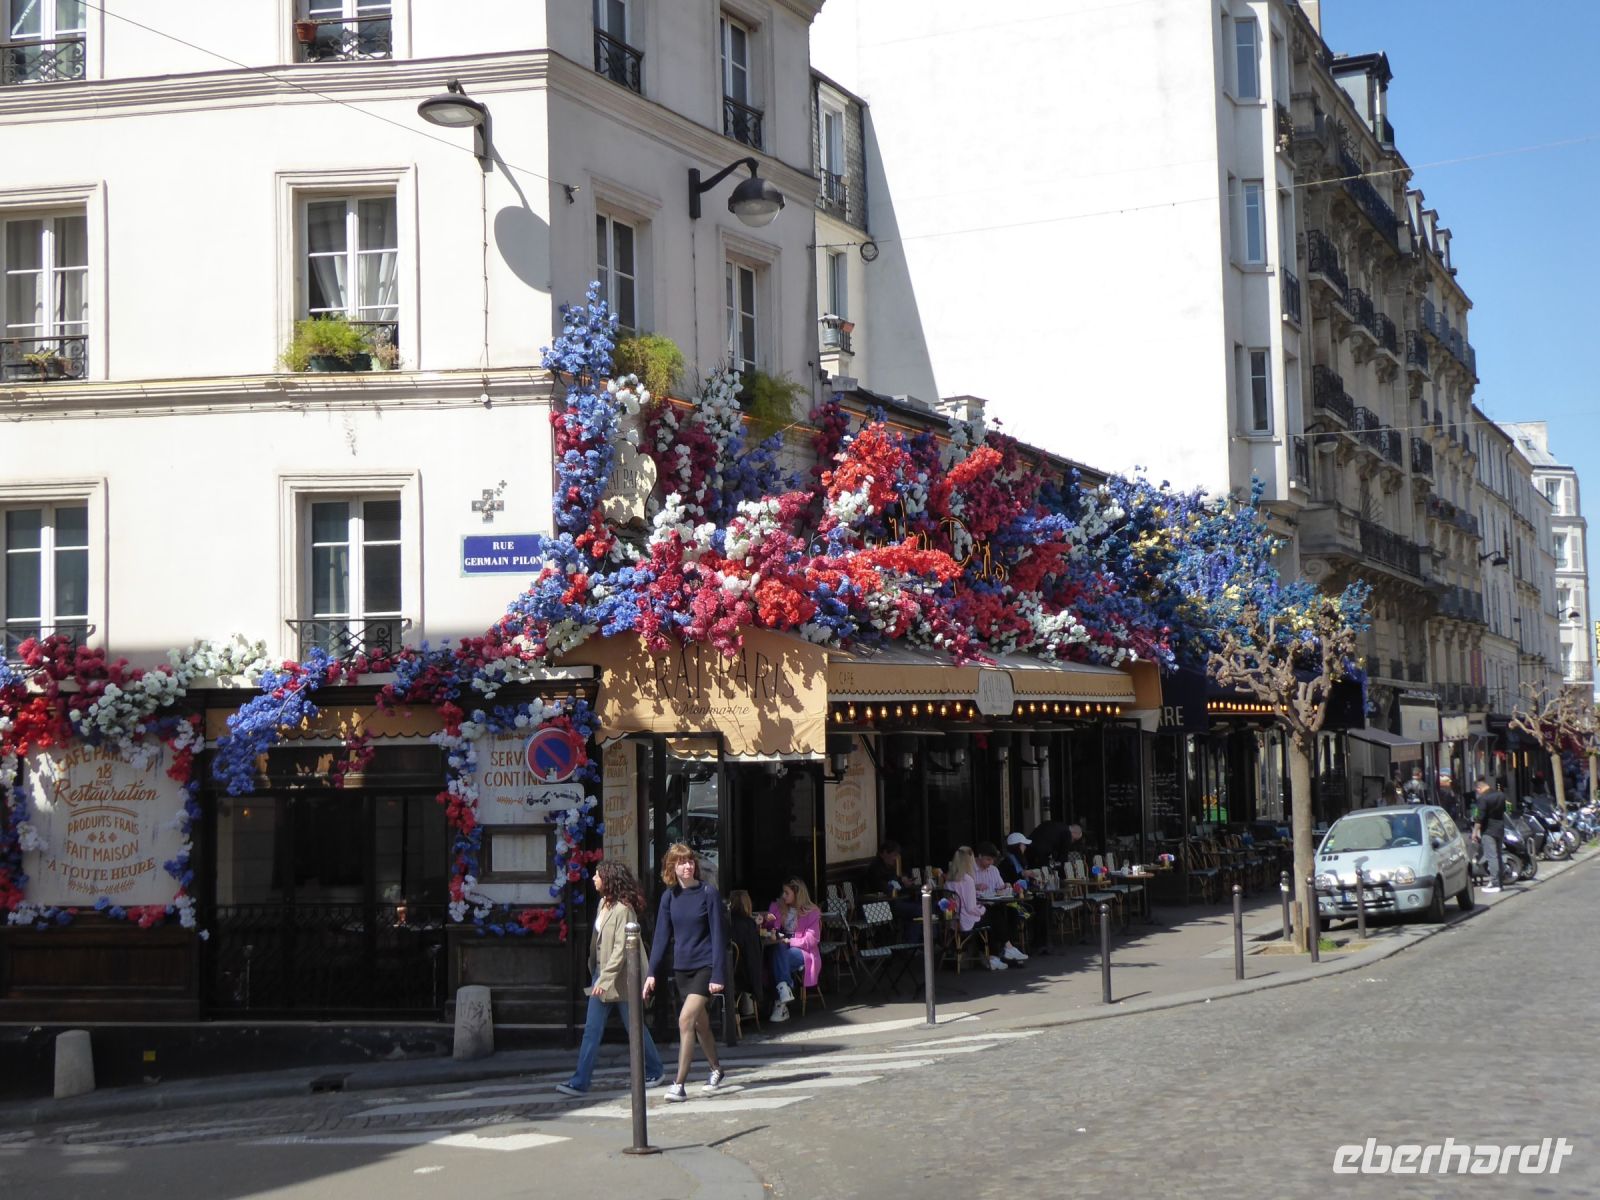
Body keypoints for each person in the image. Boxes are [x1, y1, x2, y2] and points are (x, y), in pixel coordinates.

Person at [556, 861, 665, 1097]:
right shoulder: (602, 904)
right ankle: (581, 1080)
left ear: (608, 879)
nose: (593, 878)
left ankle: (655, 1069)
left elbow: (622, 949)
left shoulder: (624, 909)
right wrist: (595, 970)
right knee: (592, 1030)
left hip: (622, 979)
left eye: (597, 875)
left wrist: (604, 979)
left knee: (634, 1028)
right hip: (602, 974)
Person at [644, 843, 728, 1101]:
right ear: (672, 868)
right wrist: (651, 973)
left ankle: (679, 1083)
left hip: (705, 966)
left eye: (690, 861)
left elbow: (718, 936)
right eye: (681, 862)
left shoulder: (708, 893)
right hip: (682, 968)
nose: (688, 866)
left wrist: (718, 976)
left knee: (684, 1020)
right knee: (700, 1025)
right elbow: (660, 937)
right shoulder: (669, 897)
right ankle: (716, 1069)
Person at [765, 878, 822, 1023]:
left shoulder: (812, 912)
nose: (783, 896)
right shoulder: (779, 907)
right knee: (777, 951)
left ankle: (780, 1001)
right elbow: (770, 927)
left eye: (786, 893)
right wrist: (766, 920)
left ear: (797, 894)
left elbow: (811, 940)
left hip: (803, 950)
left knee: (773, 962)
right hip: (781, 947)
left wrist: (790, 941)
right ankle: (783, 991)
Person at [972, 843, 1029, 962]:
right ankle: (1007, 948)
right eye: (988, 859)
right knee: (996, 914)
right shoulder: (971, 870)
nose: (990, 862)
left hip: (994, 904)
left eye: (992, 860)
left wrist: (1005, 886)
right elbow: (965, 890)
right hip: (978, 907)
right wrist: (975, 887)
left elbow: (1000, 886)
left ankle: (1007, 949)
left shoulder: (993, 870)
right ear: (979, 856)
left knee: (1012, 912)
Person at [726, 889, 766, 1022]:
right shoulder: (747, 924)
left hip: (726, 972)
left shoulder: (725, 922)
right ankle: (754, 1008)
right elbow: (753, 958)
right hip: (741, 976)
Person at [1472, 778, 1507, 892]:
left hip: (1488, 830)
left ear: (1479, 788)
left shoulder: (1483, 799)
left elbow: (1479, 818)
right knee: (1498, 855)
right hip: (1500, 828)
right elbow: (1506, 810)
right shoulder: (1500, 795)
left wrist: (1475, 832)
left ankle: (1495, 883)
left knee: (1491, 857)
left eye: (1477, 791)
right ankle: (1500, 882)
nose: (1477, 793)